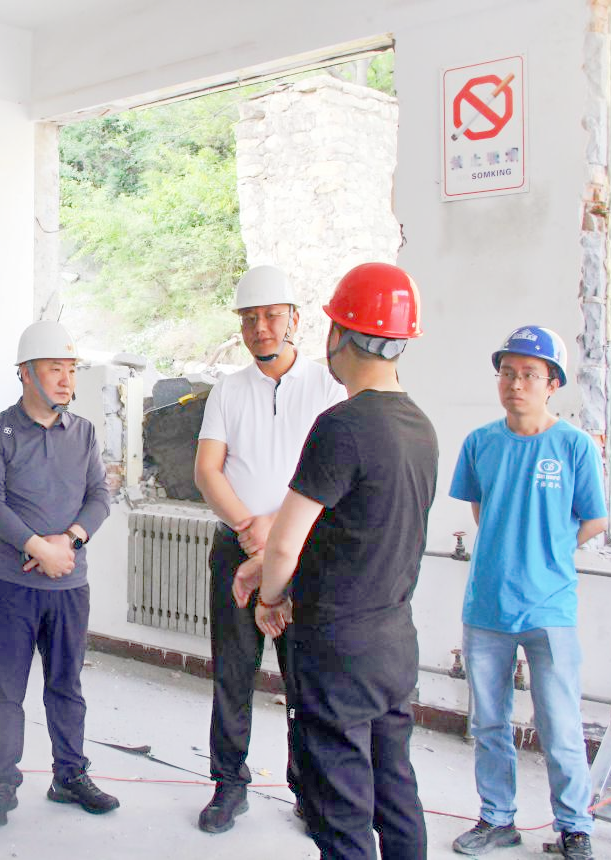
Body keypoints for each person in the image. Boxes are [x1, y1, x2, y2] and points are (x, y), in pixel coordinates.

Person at [237, 262, 437, 859]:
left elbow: (284, 542)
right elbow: (359, 527)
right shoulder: (421, 427)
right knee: (394, 788)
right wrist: (271, 567)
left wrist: (271, 597)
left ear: (338, 335)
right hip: (393, 641)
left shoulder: (342, 426)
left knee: (340, 806)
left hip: (337, 649)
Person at [193, 265, 344, 833]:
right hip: (236, 550)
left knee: (304, 678)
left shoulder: (327, 388)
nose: (261, 327)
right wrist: (246, 527)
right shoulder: (229, 390)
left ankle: (308, 789)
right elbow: (207, 470)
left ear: (294, 320)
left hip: (303, 552)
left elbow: (334, 477)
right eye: (250, 318)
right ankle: (229, 785)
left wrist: (275, 527)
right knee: (233, 672)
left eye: (271, 316)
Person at [448, 326, 606, 860]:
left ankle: (574, 827)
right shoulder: (480, 443)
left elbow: (594, 520)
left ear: (553, 384)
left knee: (560, 724)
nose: (516, 384)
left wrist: (549, 550)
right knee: (489, 722)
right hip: (487, 606)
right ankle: (497, 819)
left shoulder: (574, 446)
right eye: (508, 373)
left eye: (530, 375)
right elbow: (482, 511)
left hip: (550, 608)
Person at [0, 320, 118, 827]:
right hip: (12, 585)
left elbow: (100, 496)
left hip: (69, 584)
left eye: (70, 369)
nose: (66, 379)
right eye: (55, 368)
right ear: (26, 373)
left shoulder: (84, 433)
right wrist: (36, 548)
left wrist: (68, 542)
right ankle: (1, 785)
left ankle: (69, 776)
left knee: (66, 684)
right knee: (5, 688)